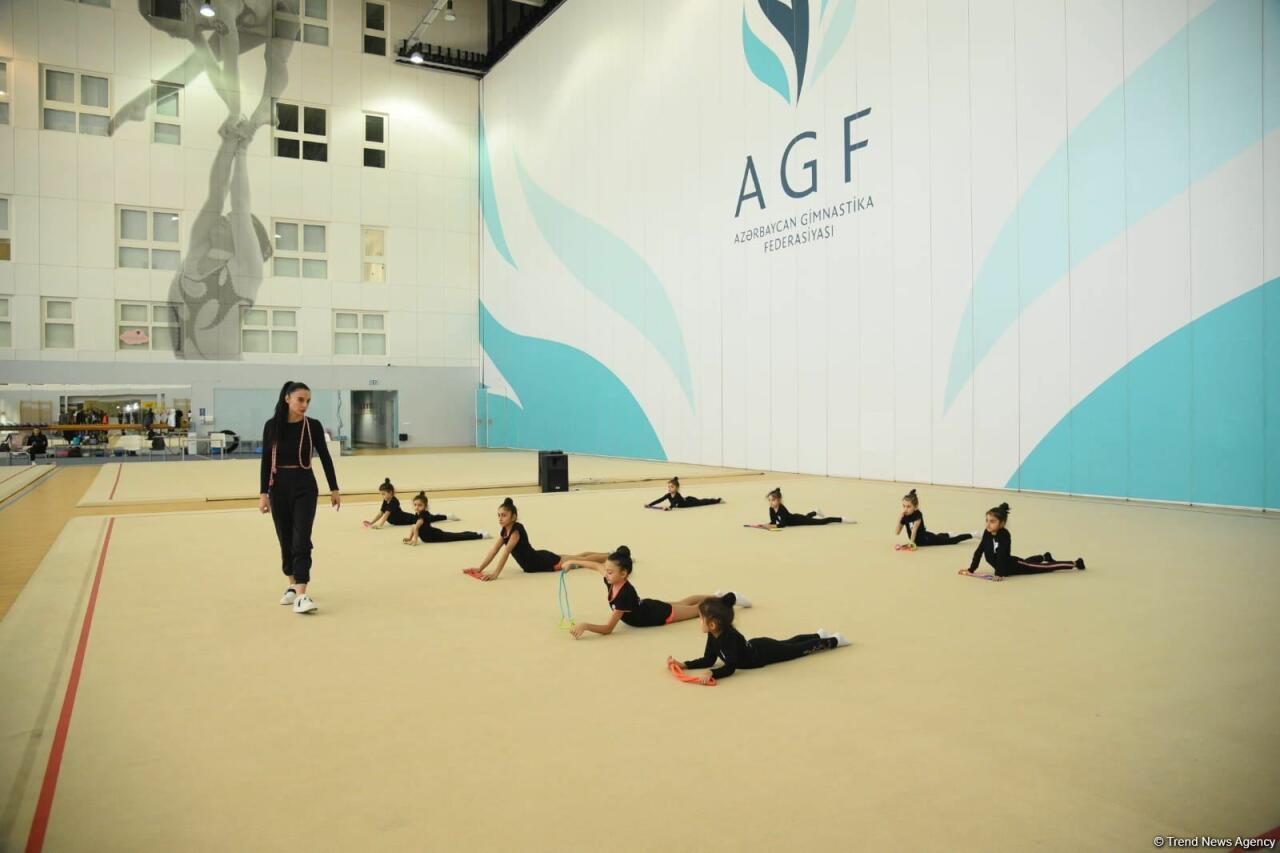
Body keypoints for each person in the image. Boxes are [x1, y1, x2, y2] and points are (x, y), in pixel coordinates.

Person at [259, 381, 340, 613]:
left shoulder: (313, 426)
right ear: (287, 399)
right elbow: (266, 461)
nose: (305, 405)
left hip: (305, 486)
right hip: (278, 488)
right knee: (284, 537)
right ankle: (292, 585)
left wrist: (334, 489)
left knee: (301, 538)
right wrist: (263, 494)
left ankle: (302, 594)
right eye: (300, 400)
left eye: (308, 401)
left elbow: (325, 457)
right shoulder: (272, 426)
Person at [568, 546, 751, 639]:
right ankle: (718, 595)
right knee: (685, 602)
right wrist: (572, 563)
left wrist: (585, 625)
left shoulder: (624, 595)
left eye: (610, 572)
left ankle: (729, 598)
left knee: (698, 609)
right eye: (607, 571)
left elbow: (608, 629)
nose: (606, 574)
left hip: (658, 615)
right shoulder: (611, 580)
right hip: (649, 606)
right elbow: (596, 565)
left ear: (624, 574)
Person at [672, 597, 848, 682]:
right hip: (757, 645)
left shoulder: (729, 638)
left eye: (700, 618)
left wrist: (712, 673)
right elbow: (708, 659)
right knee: (789, 642)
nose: (698, 621)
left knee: (797, 649)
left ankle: (834, 641)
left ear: (712, 624)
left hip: (764, 653)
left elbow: (730, 667)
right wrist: (685, 665)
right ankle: (818, 634)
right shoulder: (713, 635)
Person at [467, 497, 606, 581]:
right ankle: (609, 554)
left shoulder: (516, 532)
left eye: (504, 515)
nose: (500, 518)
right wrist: (480, 568)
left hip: (543, 562)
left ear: (513, 517)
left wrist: (495, 574)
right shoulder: (504, 531)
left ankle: (610, 556)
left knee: (583, 560)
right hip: (538, 558)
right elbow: (494, 550)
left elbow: (506, 553)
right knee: (579, 557)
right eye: (498, 515)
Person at [959, 502, 1086, 581]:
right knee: (1028, 562)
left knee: (1044, 567)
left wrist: (998, 574)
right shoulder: (987, 533)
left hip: (1012, 565)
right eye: (987, 520)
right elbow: (979, 551)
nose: (988, 524)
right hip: (1008, 568)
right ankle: (1044, 556)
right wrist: (971, 569)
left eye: (992, 521)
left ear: (1002, 523)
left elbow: (1002, 554)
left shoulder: (1005, 535)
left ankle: (1075, 563)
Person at [895, 488, 974, 549]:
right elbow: (897, 532)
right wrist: (900, 517)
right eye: (904, 506)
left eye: (908, 507)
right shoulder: (905, 516)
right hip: (921, 540)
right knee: (939, 536)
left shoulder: (917, 515)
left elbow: (914, 530)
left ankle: (972, 534)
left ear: (915, 507)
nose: (905, 509)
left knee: (951, 541)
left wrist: (911, 543)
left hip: (926, 539)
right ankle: (949, 534)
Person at [403, 491, 489, 545]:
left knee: (456, 536)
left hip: (434, 536)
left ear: (425, 506)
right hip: (429, 536)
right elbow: (413, 527)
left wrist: (414, 541)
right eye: (415, 505)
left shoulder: (423, 514)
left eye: (420, 505)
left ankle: (481, 535)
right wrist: (410, 538)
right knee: (456, 535)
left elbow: (416, 528)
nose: (417, 507)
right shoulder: (417, 514)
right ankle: (477, 533)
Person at [765, 487, 843, 527]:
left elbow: (782, 525)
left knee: (822, 522)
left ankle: (841, 519)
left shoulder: (781, 509)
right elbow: (773, 522)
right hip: (796, 519)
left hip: (799, 519)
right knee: (807, 517)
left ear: (779, 500)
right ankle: (815, 512)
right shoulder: (771, 509)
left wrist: (770, 526)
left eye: (773, 500)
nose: (770, 502)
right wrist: (765, 525)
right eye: (769, 500)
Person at [644, 476, 723, 510]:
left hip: (690, 502)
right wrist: (650, 504)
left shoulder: (677, 495)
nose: (669, 488)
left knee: (703, 501)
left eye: (672, 487)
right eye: (669, 487)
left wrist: (669, 508)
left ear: (677, 488)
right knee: (702, 500)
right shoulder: (668, 495)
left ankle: (717, 500)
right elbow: (660, 500)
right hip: (686, 500)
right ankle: (716, 500)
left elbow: (673, 503)